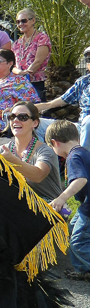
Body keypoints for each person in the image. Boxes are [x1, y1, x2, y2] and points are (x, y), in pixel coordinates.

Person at [45, 120, 90, 280]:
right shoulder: (83, 152)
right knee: (72, 229)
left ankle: (86, 268)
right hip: (85, 205)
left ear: (54, 143)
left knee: (78, 242)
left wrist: (62, 197)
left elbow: (81, 179)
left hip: (88, 209)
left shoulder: (73, 157)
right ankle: (83, 270)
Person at [0, 101, 61, 202]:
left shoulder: (45, 151)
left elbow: (38, 176)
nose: (16, 120)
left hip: (49, 205)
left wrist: (13, 160)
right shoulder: (2, 150)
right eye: (12, 117)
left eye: (23, 117)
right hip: (16, 204)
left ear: (35, 123)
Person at [36, 44, 90, 150]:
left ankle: (82, 157)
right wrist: (27, 109)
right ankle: (45, 158)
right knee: (34, 123)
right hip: (80, 127)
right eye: (88, 59)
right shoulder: (84, 82)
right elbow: (54, 103)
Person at [11, 9, 51, 101]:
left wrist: (27, 74)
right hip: (19, 83)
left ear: (33, 20)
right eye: (18, 22)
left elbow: (38, 61)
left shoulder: (42, 38)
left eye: (23, 21)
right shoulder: (17, 43)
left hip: (36, 83)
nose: (20, 24)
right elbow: (11, 65)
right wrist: (20, 73)